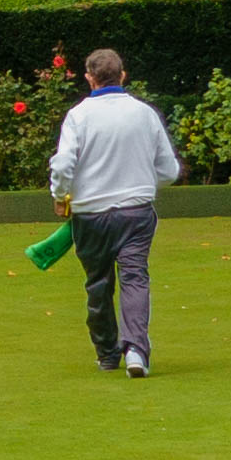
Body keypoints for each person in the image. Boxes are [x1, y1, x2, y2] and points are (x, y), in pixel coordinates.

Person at [49, 49, 181, 378]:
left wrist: (60, 194)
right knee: (135, 277)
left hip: (90, 213)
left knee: (98, 283)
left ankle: (108, 354)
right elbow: (169, 170)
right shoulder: (144, 113)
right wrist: (143, 181)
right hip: (135, 210)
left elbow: (64, 163)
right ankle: (136, 349)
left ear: (89, 78)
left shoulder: (78, 115)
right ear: (123, 75)